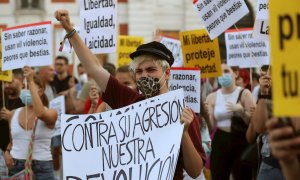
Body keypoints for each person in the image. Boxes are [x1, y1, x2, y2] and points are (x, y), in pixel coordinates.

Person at [55, 9, 206, 179]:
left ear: (167, 73)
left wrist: (183, 133)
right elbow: (94, 67)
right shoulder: (131, 100)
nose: (144, 75)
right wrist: (70, 30)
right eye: (139, 71)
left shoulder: (183, 113)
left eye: (151, 69)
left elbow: (195, 171)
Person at [2, 66, 57, 179]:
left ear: (40, 91)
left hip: (42, 167)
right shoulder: (13, 114)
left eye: (28, 87)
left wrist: (31, 80)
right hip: (16, 167)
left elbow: (40, 114)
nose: (24, 90)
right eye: (23, 87)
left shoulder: (52, 112)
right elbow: (12, 142)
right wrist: (7, 152)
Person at [206, 63, 255, 180]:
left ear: (236, 74)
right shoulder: (212, 97)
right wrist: (205, 114)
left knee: (242, 176)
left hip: (240, 140)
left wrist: (242, 112)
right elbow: (211, 127)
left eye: (226, 71)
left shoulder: (245, 93)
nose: (223, 75)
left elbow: (253, 124)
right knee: (218, 175)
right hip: (220, 140)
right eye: (220, 71)